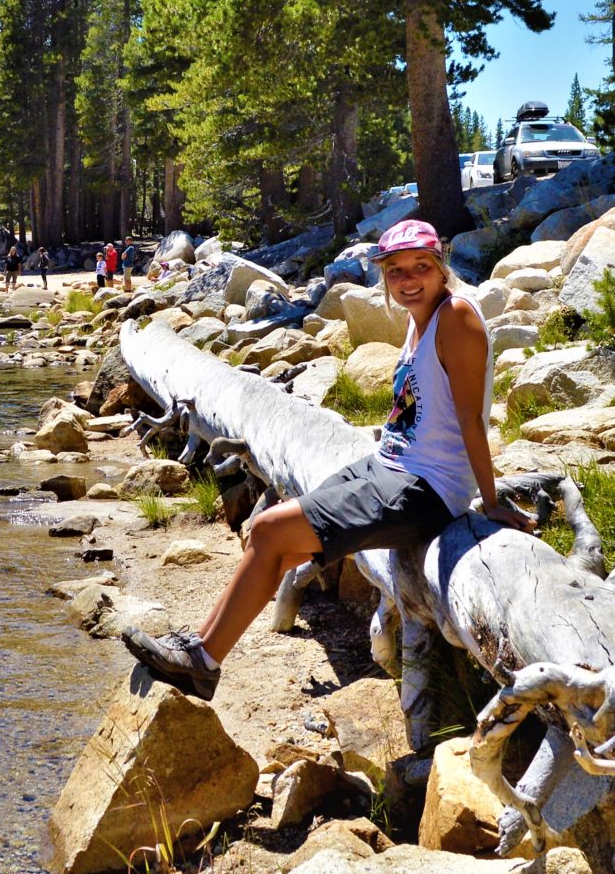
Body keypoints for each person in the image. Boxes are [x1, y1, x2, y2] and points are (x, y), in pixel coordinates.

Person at [122, 219, 530, 699]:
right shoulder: (421, 317)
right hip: (390, 466)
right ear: (383, 275)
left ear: (441, 266)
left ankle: (204, 662)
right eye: (396, 270)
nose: (408, 278)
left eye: (421, 266)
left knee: (273, 529)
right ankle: (197, 647)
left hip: (424, 490)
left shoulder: (456, 316)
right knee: (270, 538)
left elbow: (470, 420)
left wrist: (490, 500)